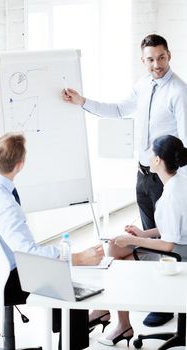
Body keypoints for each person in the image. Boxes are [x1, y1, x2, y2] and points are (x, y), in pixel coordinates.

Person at [62, 33, 187, 327]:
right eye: (150, 59)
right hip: (144, 173)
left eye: (161, 57)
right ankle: (150, 296)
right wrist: (82, 102)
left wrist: (180, 185)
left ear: (169, 55)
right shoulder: (143, 86)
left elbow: (185, 140)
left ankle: (167, 303)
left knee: (168, 239)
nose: (156, 64)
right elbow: (118, 110)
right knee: (149, 233)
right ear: (142, 60)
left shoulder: (179, 91)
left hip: (167, 176)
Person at [0, 132, 104, 350]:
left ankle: (62, 329)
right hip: (3, 280)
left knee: (57, 275)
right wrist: (76, 257)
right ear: (20, 165)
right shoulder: (5, 203)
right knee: (68, 288)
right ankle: (69, 343)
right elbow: (27, 253)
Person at [96, 134, 187, 346]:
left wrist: (129, 240)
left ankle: (119, 323)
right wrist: (142, 233)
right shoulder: (179, 182)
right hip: (181, 245)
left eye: (151, 153)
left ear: (157, 161)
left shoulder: (172, 194)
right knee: (116, 250)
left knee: (119, 260)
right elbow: (174, 228)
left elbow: (168, 244)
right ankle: (116, 320)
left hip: (179, 255)